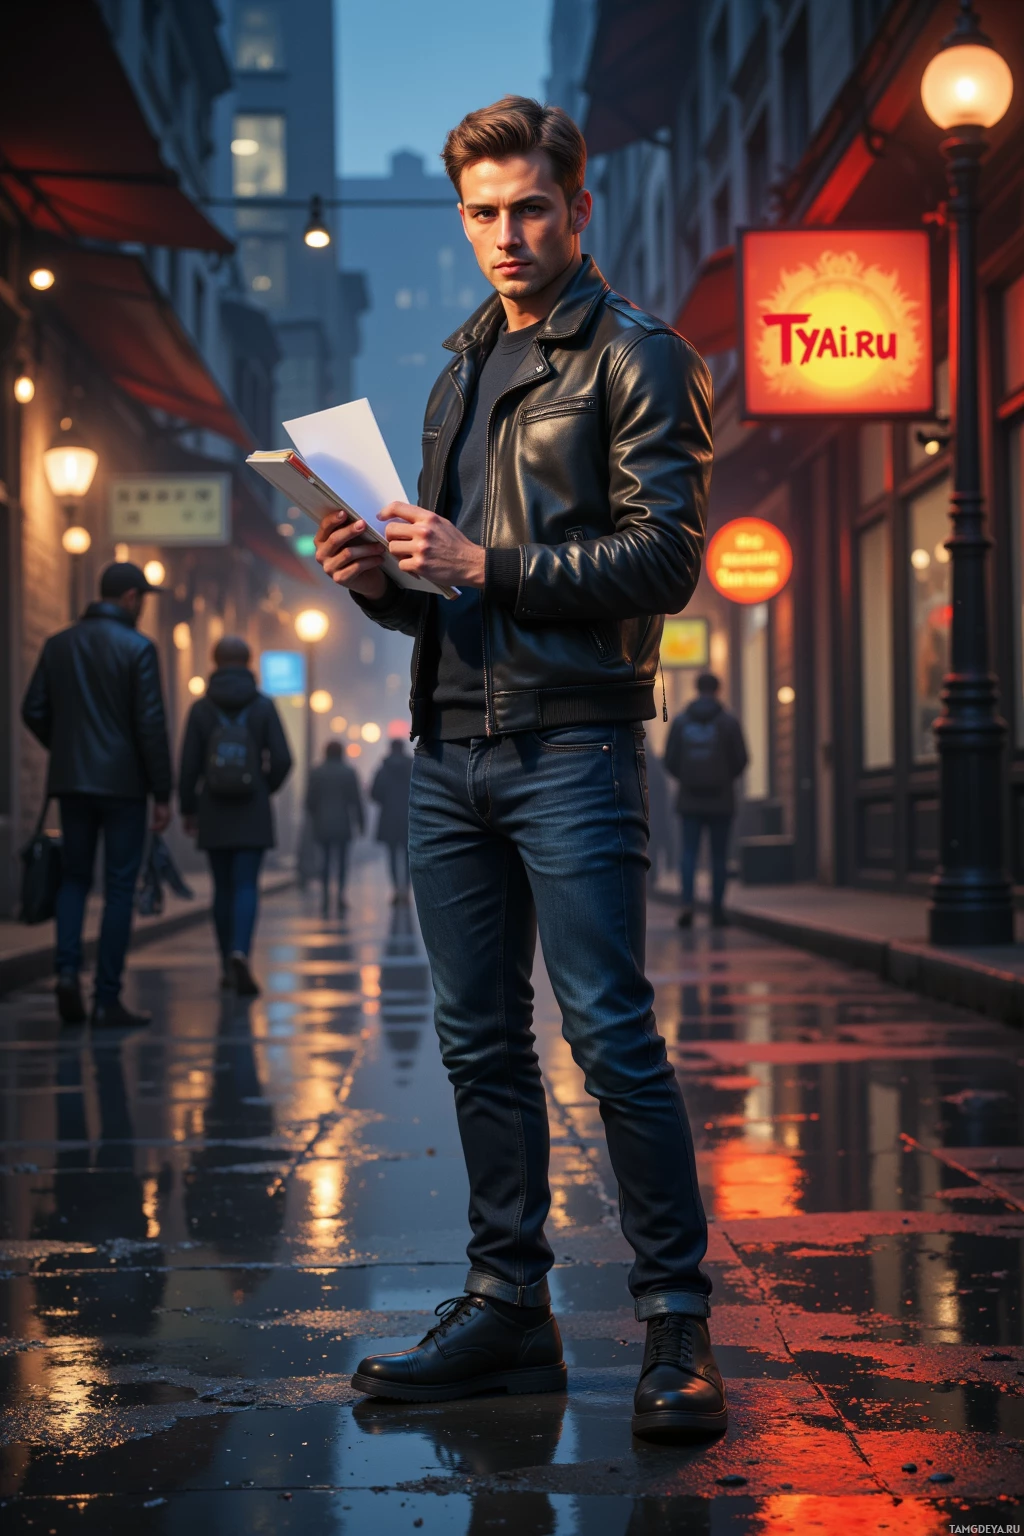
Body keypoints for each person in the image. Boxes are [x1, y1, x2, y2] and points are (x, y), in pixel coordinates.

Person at [316, 98, 723, 1442]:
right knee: (478, 1040)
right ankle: (507, 1308)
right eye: (483, 213)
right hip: (447, 753)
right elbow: (442, 595)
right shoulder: (457, 372)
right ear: (462, 218)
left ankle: (675, 1323)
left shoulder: (637, 357)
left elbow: (665, 558)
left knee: (608, 1032)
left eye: (530, 207)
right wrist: (379, 580)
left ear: (577, 208)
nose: (507, 234)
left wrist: (484, 563)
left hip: (572, 743)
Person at [21, 562, 172, 1028]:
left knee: (74, 879)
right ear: (130, 598)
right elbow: (150, 724)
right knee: (119, 887)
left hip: (73, 782)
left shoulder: (58, 644)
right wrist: (162, 791)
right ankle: (107, 997)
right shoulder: (138, 648)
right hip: (123, 786)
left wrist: (65, 749)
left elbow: (33, 709)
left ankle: (67, 973)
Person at [178, 636, 291, 995]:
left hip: (213, 808)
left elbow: (188, 764)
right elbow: (283, 758)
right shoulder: (263, 705)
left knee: (222, 887)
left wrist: (188, 808)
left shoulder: (201, 708)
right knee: (246, 885)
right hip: (251, 809)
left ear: (214, 661)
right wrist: (263, 786)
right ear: (248, 661)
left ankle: (226, 962)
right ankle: (241, 951)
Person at [664, 673, 748, 928]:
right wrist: (724, 778)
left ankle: (687, 904)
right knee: (718, 857)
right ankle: (717, 911)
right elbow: (742, 759)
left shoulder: (681, 722)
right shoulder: (729, 721)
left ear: (696, 688)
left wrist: (687, 779)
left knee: (688, 853)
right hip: (721, 800)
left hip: (689, 800)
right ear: (717, 690)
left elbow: (669, 760)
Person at [305, 741, 364, 913]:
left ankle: (325, 895)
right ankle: (340, 895)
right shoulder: (349, 772)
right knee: (342, 861)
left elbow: (309, 800)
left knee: (324, 860)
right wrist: (361, 823)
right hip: (343, 823)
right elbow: (356, 800)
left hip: (322, 823)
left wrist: (314, 817)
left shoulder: (317, 772)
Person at [370, 740, 413, 902]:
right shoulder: (412, 768)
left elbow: (374, 793)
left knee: (392, 856)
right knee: (408, 857)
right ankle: (406, 891)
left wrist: (386, 801)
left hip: (389, 817)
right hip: (409, 817)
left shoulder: (383, 769)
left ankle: (396, 889)